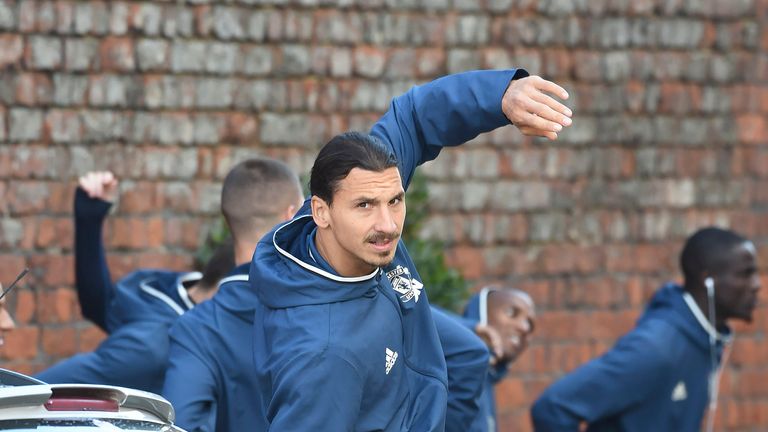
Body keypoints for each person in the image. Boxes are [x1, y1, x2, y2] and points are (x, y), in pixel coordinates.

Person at [249, 69, 573, 430]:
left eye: (396, 200)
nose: (387, 225)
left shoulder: (357, 218)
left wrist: (500, 95)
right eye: (365, 206)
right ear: (321, 211)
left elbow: (414, 116)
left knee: (468, 353)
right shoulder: (325, 356)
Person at [531, 227, 761, 432]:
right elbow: (553, 408)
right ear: (707, 279)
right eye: (745, 274)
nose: (757, 285)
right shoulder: (657, 348)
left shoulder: (706, 339)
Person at [35, 172, 233, 393]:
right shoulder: (156, 345)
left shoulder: (170, 292)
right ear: (229, 288)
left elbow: (102, 307)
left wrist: (89, 220)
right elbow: (47, 388)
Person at [161, 158, 304, 432]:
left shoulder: (197, 330)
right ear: (290, 216)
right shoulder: (333, 302)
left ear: (229, 221)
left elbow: (180, 425)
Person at [461, 287, 536, 431]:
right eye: (511, 312)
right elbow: (416, 314)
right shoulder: (448, 364)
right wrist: (471, 329)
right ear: (481, 316)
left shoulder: (487, 379)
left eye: (530, 324)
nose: (524, 328)